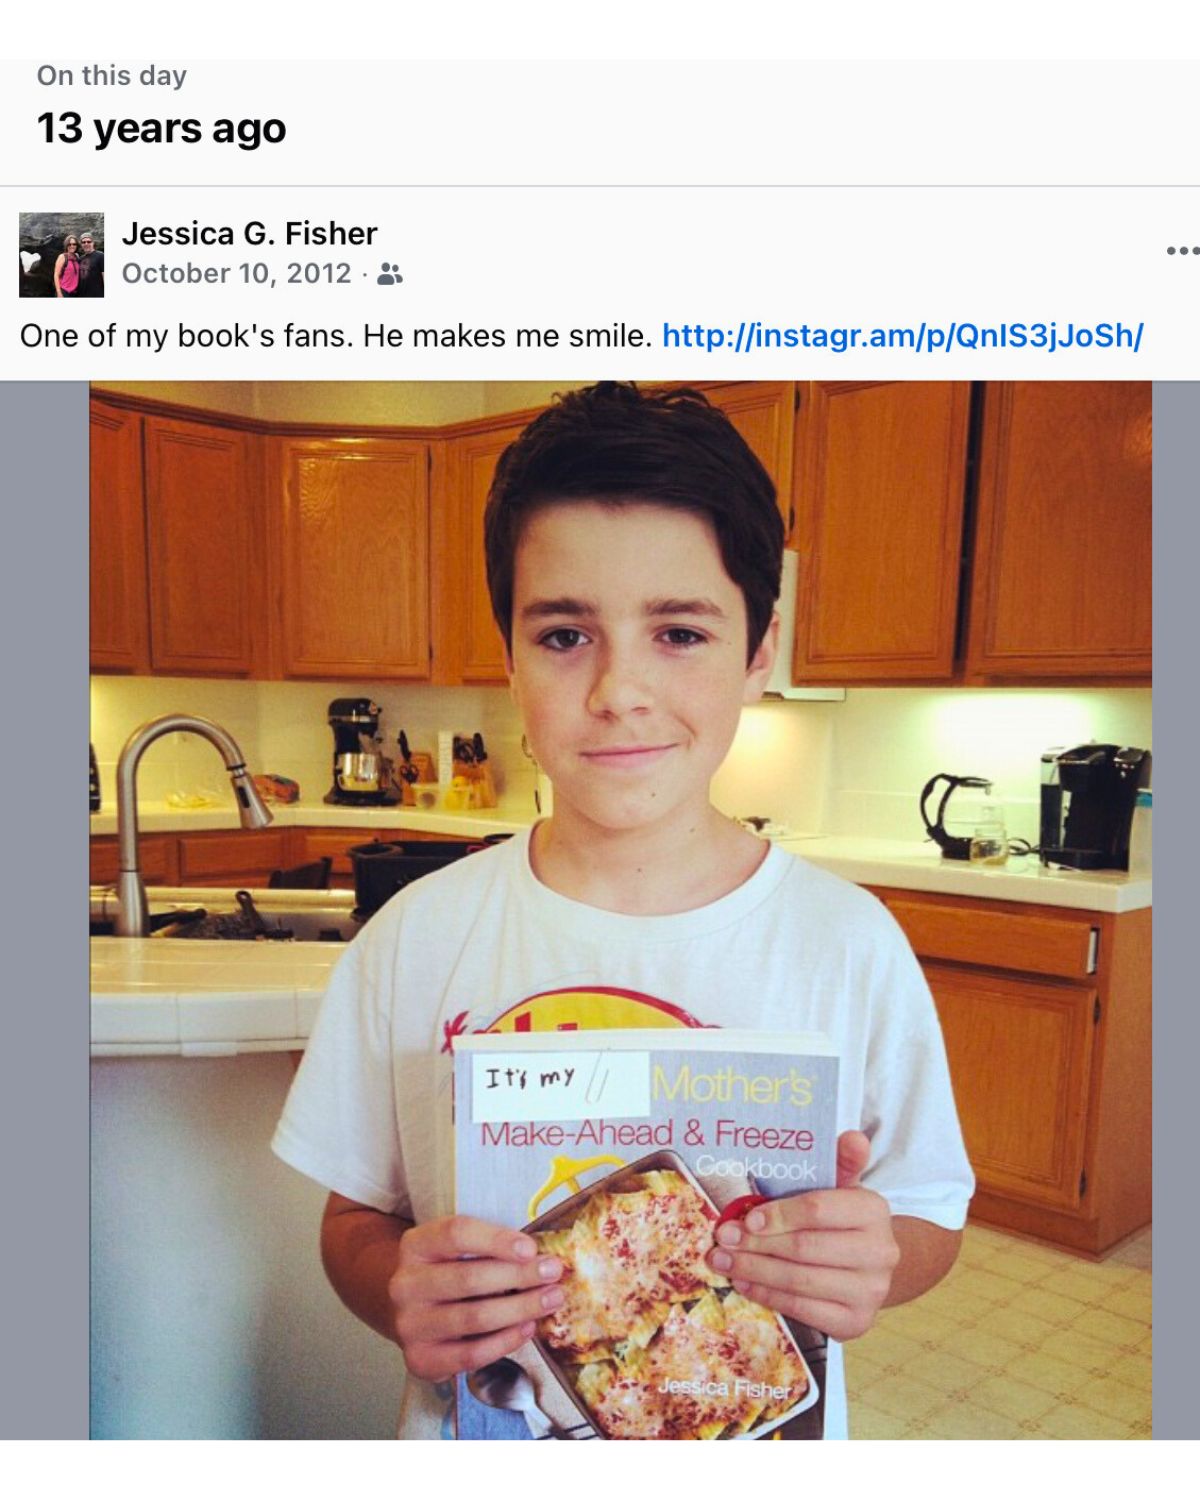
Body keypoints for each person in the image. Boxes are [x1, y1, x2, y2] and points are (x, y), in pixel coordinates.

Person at [272, 382, 973, 1440]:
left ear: (760, 648)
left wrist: (872, 1260)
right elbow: (353, 1217)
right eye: (564, 635)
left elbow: (925, 1214)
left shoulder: (849, 943)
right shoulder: (415, 936)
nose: (618, 691)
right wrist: (393, 1287)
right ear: (508, 653)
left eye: (680, 632)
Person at [77, 232, 104, 297]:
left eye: (89, 242)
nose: (86, 244)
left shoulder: (101, 256)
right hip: (82, 295)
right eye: (83, 242)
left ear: (93, 243)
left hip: (97, 295)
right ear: (81, 244)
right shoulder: (80, 259)